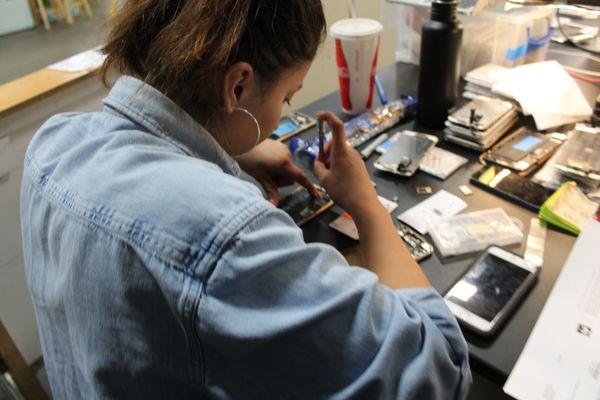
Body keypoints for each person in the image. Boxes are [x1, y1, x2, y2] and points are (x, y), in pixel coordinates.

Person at [20, 0, 471, 398]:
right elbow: (439, 372)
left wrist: (224, 153)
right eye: (288, 97)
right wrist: (366, 203)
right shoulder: (228, 238)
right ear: (237, 86)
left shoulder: (53, 144)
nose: (282, 116)